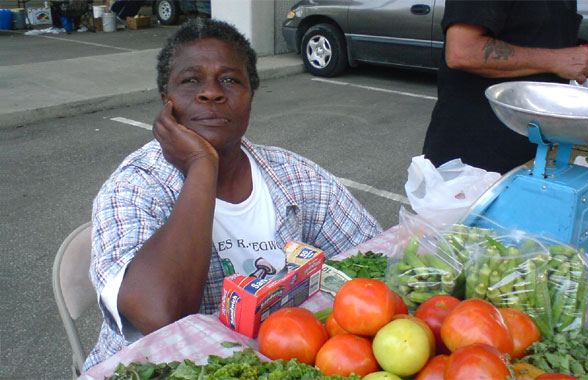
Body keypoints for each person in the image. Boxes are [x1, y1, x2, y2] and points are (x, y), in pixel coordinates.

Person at [83, 18, 382, 371]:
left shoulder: (293, 175)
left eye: (230, 80)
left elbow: (374, 261)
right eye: (191, 80)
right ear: (167, 101)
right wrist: (200, 165)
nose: (211, 92)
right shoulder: (134, 186)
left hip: (274, 364)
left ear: (250, 97)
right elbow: (159, 317)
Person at [422, 0, 588, 174]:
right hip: (472, 159)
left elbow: (534, 38)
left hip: (534, 153)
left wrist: (587, 60)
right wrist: (556, 59)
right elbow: (462, 52)